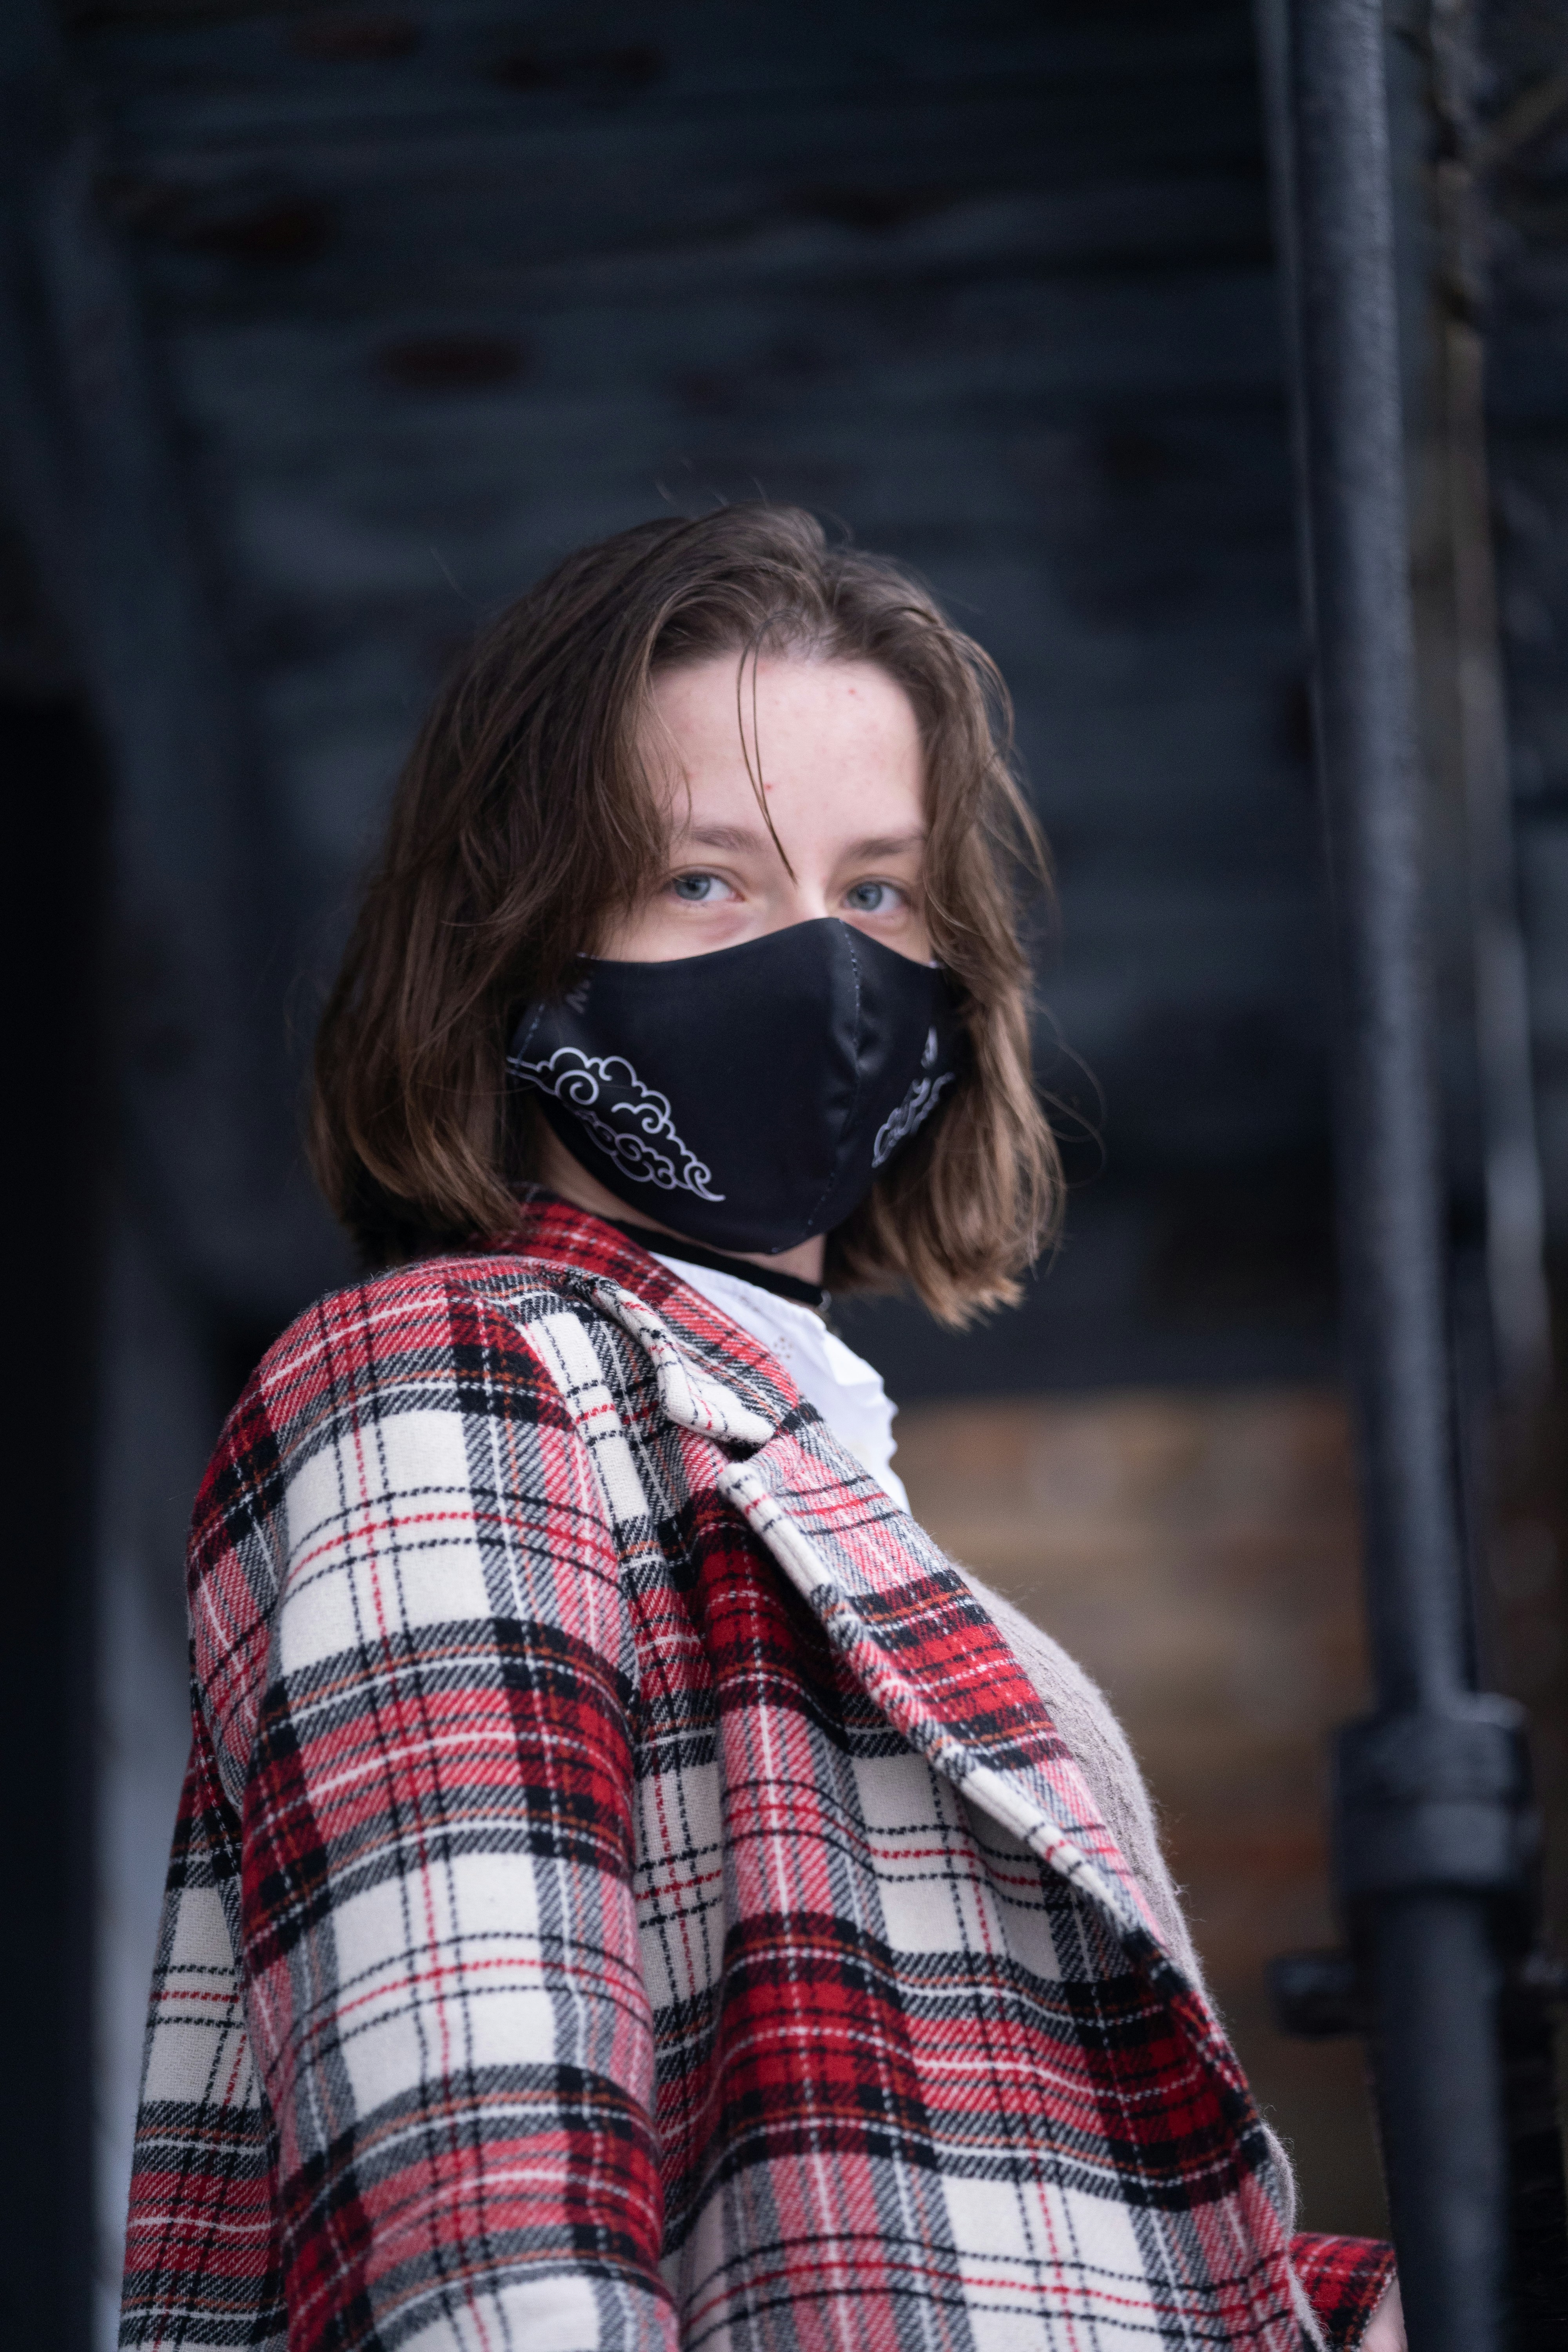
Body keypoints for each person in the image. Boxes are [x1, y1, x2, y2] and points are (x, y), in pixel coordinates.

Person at [118, 507, 1403, 2350]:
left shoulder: (792, 1465)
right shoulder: (457, 1372)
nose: (821, 970)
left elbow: (975, 2228)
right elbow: (485, 2252)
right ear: (511, 950)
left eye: (877, 896)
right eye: (705, 882)